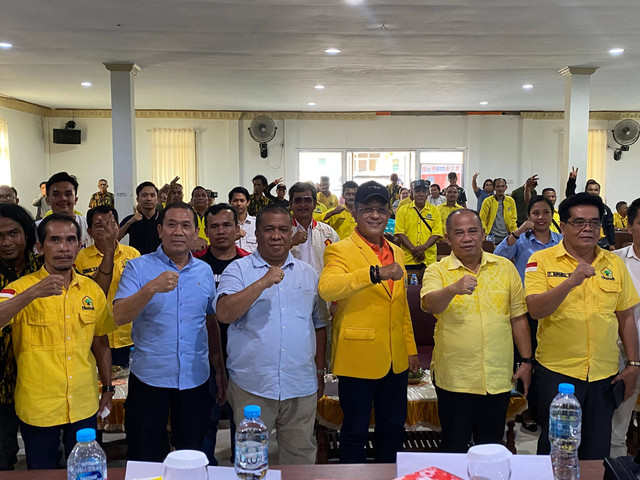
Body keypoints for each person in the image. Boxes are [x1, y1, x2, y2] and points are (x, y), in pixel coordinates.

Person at [525, 193, 640, 459]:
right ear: (562, 226)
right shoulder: (541, 261)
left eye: (594, 223)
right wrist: (570, 282)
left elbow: (625, 317)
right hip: (559, 375)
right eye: (578, 223)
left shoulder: (614, 263)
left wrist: (633, 365)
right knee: (557, 451)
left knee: (596, 452)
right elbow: (535, 309)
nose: (587, 228)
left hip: (604, 374)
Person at [0, 214, 115, 469]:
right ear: (40, 247)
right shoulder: (18, 288)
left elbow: (101, 340)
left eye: (70, 239)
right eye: (55, 240)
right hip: (39, 406)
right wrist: (33, 293)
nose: (63, 247)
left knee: (86, 471)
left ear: (79, 245)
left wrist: (107, 388)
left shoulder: (91, 290)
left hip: (83, 403)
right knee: (42, 473)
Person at [216, 205, 327, 465]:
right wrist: (263, 281)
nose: (276, 235)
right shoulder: (238, 270)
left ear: (291, 234)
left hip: (300, 385)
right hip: (252, 386)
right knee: (251, 459)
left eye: (283, 229)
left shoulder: (308, 273)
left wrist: (319, 372)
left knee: (300, 458)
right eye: (269, 229)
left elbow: (320, 324)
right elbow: (224, 313)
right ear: (257, 233)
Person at [319, 181, 419, 463]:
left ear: (389, 213)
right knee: (354, 432)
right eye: (367, 209)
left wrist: (410, 348)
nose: (375, 215)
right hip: (358, 357)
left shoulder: (397, 251)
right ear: (354, 212)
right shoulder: (339, 250)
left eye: (381, 209)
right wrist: (374, 273)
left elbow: (401, 307)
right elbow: (328, 288)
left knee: (393, 429)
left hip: (395, 359)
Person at [113, 202, 220, 462]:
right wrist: (150, 288)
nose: (178, 231)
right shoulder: (138, 267)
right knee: (145, 454)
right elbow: (119, 316)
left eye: (186, 226)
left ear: (196, 234)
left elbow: (210, 321)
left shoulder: (204, 271)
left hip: (195, 377)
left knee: (191, 454)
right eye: (171, 225)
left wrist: (219, 368)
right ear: (160, 230)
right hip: (150, 377)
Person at [421, 209, 532, 453]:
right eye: (458, 233)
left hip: (497, 377)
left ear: (483, 234)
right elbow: (430, 304)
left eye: (473, 231)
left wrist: (526, 360)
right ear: (448, 239)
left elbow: (518, 318)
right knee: (454, 448)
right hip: (455, 377)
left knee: (491, 449)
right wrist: (453, 289)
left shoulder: (505, 267)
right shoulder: (437, 271)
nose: (467, 238)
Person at [196, 203, 249, 466]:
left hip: (243, 357)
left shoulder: (249, 264)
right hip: (204, 358)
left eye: (227, 225)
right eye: (214, 226)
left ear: (238, 229)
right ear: (205, 231)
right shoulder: (194, 265)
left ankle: (244, 470)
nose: (221, 231)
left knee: (245, 426)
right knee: (206, 424)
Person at [0, 204, 42, 470]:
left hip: (40, 381)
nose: (6, 242)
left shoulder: (44, 268)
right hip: (1, 383)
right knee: (3, 457)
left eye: (13, 233)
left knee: (47, 458)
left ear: (26, 234)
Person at [75, 206, 140, 367]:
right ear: (89, 232)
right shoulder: (80, 259)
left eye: (111, 223)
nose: (106, 229)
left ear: (118, 227)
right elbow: (87, 294)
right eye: (99, 225)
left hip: (128, 335)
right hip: (95, 336)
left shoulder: (133, 255)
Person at [611, 198, 640, 457]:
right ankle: (617, 469)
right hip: (624, 355)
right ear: (629, 226)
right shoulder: (614, 262)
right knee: (617, 426)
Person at [394, 179, 442, 278]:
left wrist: (422, 248)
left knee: (429, 288)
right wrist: (413, 249)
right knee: (409, 290)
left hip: (428, 259)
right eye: (417, 191)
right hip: (408, 259)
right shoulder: (403, 210)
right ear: (412, 193)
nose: (420, 194)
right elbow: (399, 233)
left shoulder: (435, 211)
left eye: (423, 191)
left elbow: (436, 233)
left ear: (427, 193)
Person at [565, 167, 616, 250]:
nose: (593, 192)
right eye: (590, 189)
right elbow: (570, 195)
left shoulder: (605, 209)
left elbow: (610, 226)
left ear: (599, 192)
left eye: (596, 190)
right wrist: (572, 180)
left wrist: (612, 243)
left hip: (603, 243)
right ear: (586, 191)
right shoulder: (580, 205)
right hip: (584, 239)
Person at [38, 172, 92, 249]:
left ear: (75, 199)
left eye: (68, 194)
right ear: (47, 200)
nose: (63, 198)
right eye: (56, 194)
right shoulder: (37, 229)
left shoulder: (88, 226)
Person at [118, 181, 162, 255]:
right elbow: (115, 239)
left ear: (157, 199)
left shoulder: (164, 218)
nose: (148, 199)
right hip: (137, 261)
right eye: (144, 195)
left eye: (152, 195)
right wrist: (129, 223)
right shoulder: (131, 219)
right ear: (138, 199)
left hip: (160, 261)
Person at [479, 178, 517, 244]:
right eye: (498, 186)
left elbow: (513, 219)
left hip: (507, 235)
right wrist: (484, 234)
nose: (500, 189)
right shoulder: (487, 201)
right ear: (494, 188)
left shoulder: (511, 201)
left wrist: (514, 233)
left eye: (502, 186)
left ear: (506, 187)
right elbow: (482, 219)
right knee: (491, 253)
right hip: (491, 235)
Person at [229, 186, 257, 253]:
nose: (238, 204)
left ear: (248, 202)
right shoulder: (225, 225)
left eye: (242, 201)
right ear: (230, 202)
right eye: (235, 200)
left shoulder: (257, 223)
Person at [190, 186, 210, 251]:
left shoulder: (214, 215)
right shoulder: (187, 215)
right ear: (192, 200)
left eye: (204, 195)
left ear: (208, 200)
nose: (201, 198)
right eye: (197, 196)